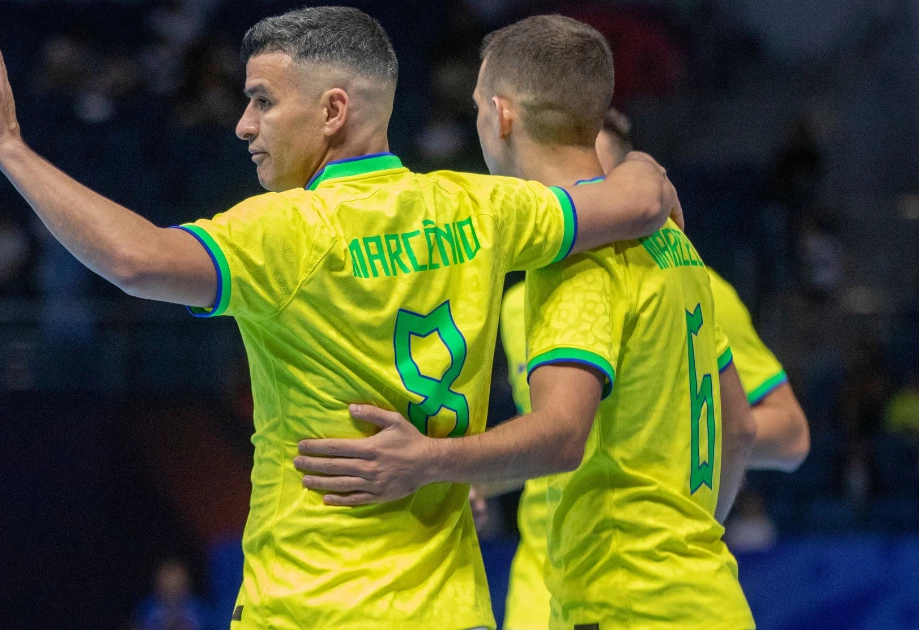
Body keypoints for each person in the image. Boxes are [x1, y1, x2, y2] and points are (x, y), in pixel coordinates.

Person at [0, 8, 678, 627]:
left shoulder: (289, 232)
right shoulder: (480, 208)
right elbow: (638, 200)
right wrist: (644, 161)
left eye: (262, 101)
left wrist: (10, 149)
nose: (244, 124)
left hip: (312, 605)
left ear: (334, 111)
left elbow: (133, 260)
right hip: (447, 609)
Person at [293, 16, 758, 629]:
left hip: (626, 604)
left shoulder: (577, 259)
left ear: (502, 115)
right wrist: (692, 539)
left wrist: (424, 460)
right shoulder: (672, 240)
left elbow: (562, 436)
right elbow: (740, 427)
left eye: (478, 107)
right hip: (709, 596)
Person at [496, 110, 811, 629]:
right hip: (547, 586)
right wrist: (470, 485)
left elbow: (785, 433)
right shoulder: (519, 300)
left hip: (631, 585)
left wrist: (674, 444)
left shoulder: (696, 283)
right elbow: (566, 443)